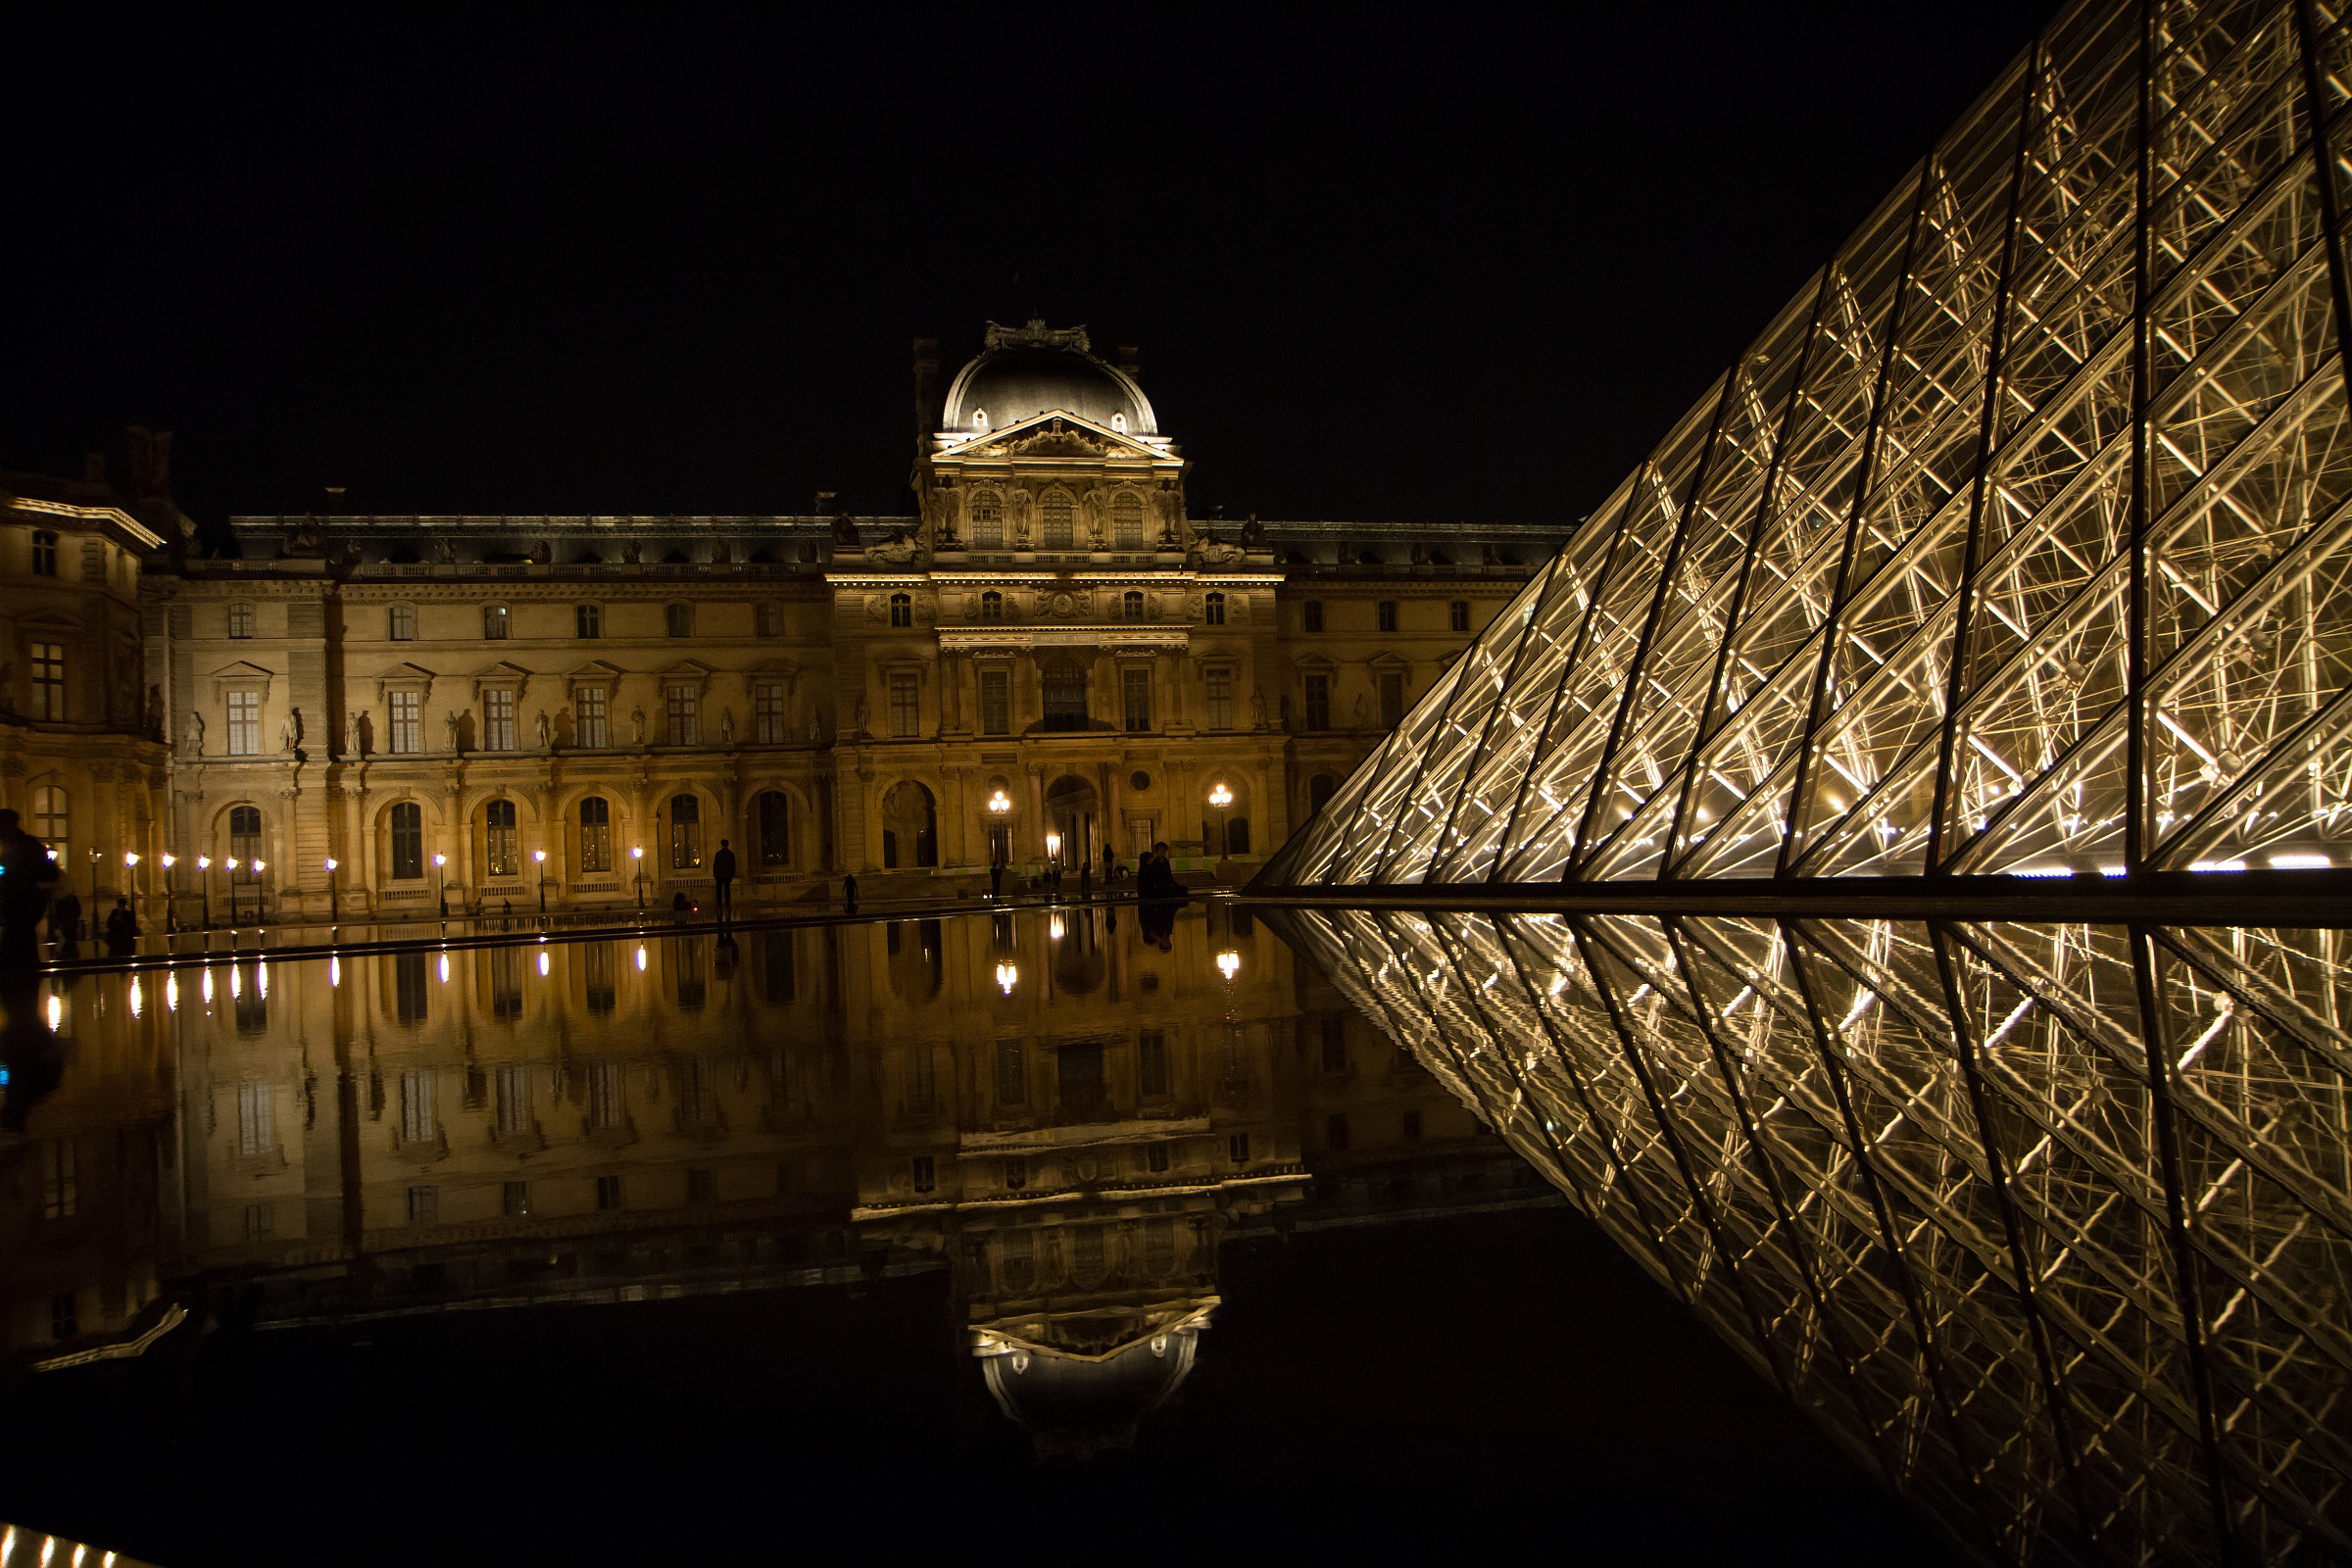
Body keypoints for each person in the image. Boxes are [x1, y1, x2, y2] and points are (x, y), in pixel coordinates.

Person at [0, 809, 61, 972]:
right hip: (27, 905)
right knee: (25, 954)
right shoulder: (31, 844)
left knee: (12, 955)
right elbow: (50, 873)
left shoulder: (14, 847)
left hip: (18, 904)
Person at [49, 888, 83, 961]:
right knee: (72, 939)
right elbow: (78, 910)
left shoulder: (60, 901)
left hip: (64, 924)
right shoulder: (73, 899)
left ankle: (67, 954)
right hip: (72, 923)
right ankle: (72, 955)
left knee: (67, 938)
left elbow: (57, 913)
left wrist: (58, 922)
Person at [711, 838, 737, 921]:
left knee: (719, 891)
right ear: (728, 845)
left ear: (721, 845)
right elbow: (733, 865)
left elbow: (715, 865)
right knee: (727, 890)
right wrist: (732, 874)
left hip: (719, 876)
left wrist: (715, 875)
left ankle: (719, 905)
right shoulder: (731, 854)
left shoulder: (718, 854)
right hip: (727, 876)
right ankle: (727, 904)